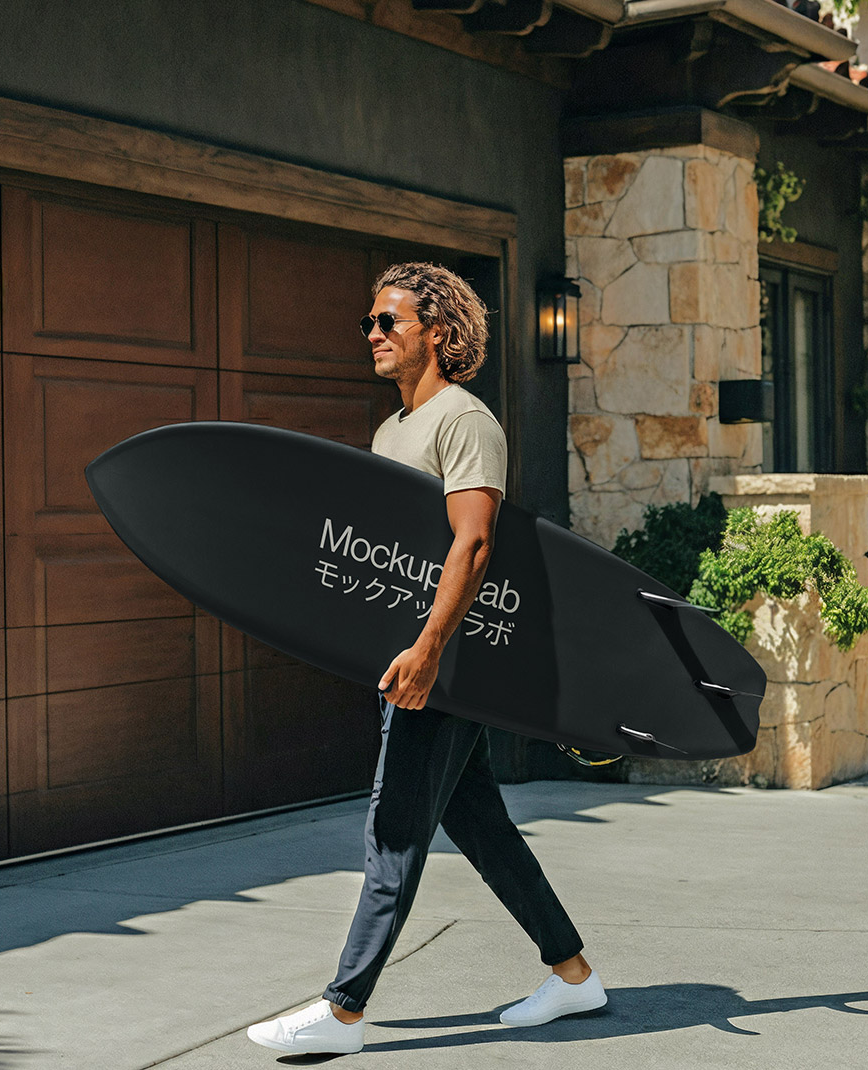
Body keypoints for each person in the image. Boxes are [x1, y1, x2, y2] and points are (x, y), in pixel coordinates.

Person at [246, 262, 607, 1056]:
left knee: (395, 830)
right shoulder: (392, 430)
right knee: (481, 827)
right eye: (370, 323)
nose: (371, 335)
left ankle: (343, 1011)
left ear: (436, 332)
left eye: (387, 322)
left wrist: (428, 650)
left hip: (448, 664)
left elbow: (472, 544)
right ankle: (576, 976)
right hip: (414, 661)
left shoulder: (463, 421)